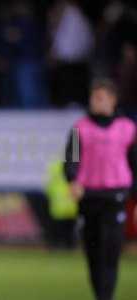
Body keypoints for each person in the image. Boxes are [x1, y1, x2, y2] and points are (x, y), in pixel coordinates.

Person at [64, 78, 137, 300]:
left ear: (113, 100)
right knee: (94, 254)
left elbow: (135, 163)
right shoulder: (79, 128)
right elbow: (71, 159)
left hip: (116, 196)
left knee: (111, 251)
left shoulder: (128, 128)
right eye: (94, 97)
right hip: (89, 197)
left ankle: (106, 296)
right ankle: (101, 295)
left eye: (101, 98)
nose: (96, 102)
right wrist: (73, 180)